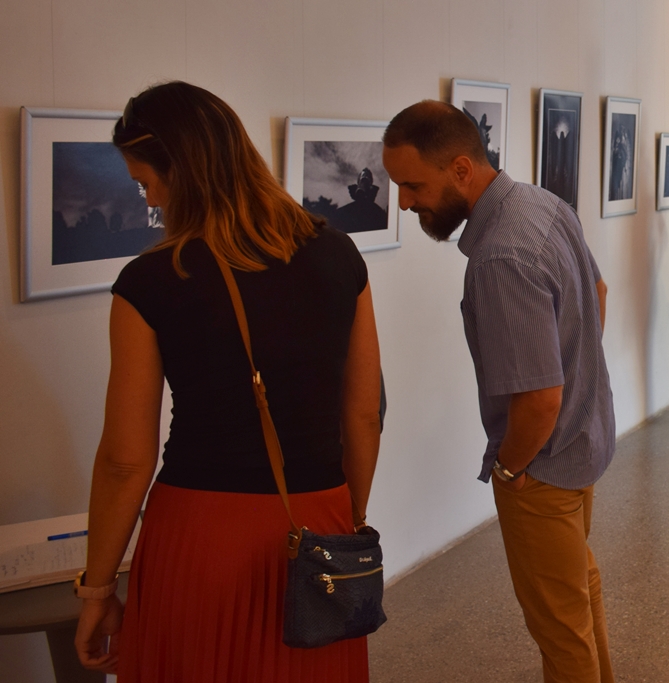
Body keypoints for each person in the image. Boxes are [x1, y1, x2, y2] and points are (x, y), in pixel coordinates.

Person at [74, 81, 381, 682]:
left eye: (147, 182)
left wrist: (97, 589)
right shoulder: (339, 254)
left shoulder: (152, 279)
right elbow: (364, 411)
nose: (150, 201)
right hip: (317, 514)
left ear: (182, 172)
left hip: (200, 536)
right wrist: (344, 521)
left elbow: (123, 461)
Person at [382, 100, 615, 683]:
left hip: (541, 465)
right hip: (583, 443)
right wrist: (574, 372)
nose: (406, 202)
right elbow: (600, 291)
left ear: (461, 169)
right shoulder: (542, 203)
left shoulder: (500, 255)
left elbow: (538, 399)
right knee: (578, 597)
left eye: (413, 185)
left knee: (560, 631)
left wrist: (511, 471)